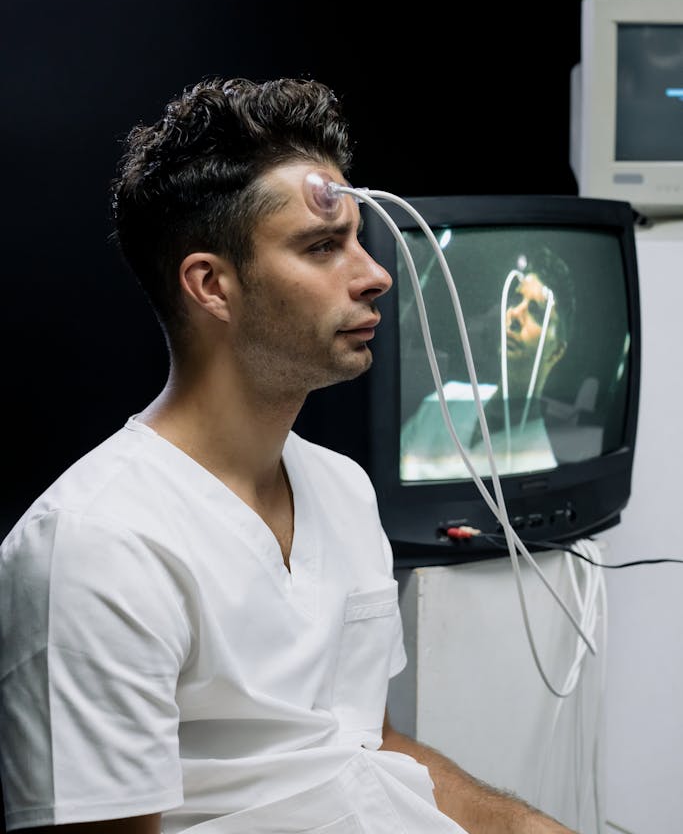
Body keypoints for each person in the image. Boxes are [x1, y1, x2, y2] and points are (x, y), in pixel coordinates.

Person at [0, 77, 578, 834]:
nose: (374, 275)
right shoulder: (96, 546)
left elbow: (364, 749)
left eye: (359, 242)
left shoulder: (340, 490)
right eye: (322, 247)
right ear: (212, 285)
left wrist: (527, 829)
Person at [401, 246, 575, 482]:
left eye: (536, 311)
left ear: (556, 351)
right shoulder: (446, 399)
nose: (515, 315)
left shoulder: (539, 464)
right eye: (516, 298)